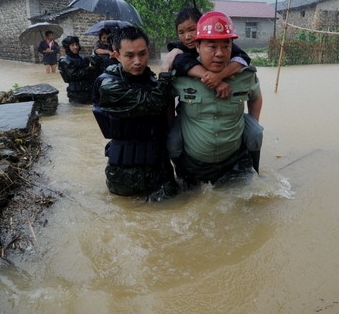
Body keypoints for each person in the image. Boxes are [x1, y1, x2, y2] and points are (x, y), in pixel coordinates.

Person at [164, 11, 263, 186]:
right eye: (211, 47)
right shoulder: (180, 73)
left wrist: (252, 122)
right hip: (194, 163)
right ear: (197, 46)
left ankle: (256, 168)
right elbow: (166, 99)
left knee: (255, 132)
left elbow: (255, 97)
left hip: (233, 160)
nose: (219, 53)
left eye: (226, 46)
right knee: (172, 141)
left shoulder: (244, 74)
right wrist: (172, 123)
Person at [92, 26, 178, 201]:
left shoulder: (154, 82)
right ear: (116, 55)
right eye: (129, 56)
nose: (137, 61)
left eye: (142, 54)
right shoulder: (109, 85)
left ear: (149, 51)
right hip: (125, 177)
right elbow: (152, 104)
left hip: (160, 172)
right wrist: (166, 70)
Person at [166, 7, 251, 99]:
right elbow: (181, 61)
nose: (187, 37)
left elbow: (243, 58)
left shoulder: (220, 44)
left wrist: (219, 76)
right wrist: (213, 80)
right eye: (181, 33)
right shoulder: (178, 49)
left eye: (191, 30)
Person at [58, 36, 101, 104]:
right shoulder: (64, 61)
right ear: (67, 47)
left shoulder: (83, 58)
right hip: (75, 94)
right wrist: (90, 68)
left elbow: (91, 75)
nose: (75, 47)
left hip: (89, 91)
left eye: (77, 45)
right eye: (72, 45)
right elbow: (74, 75)